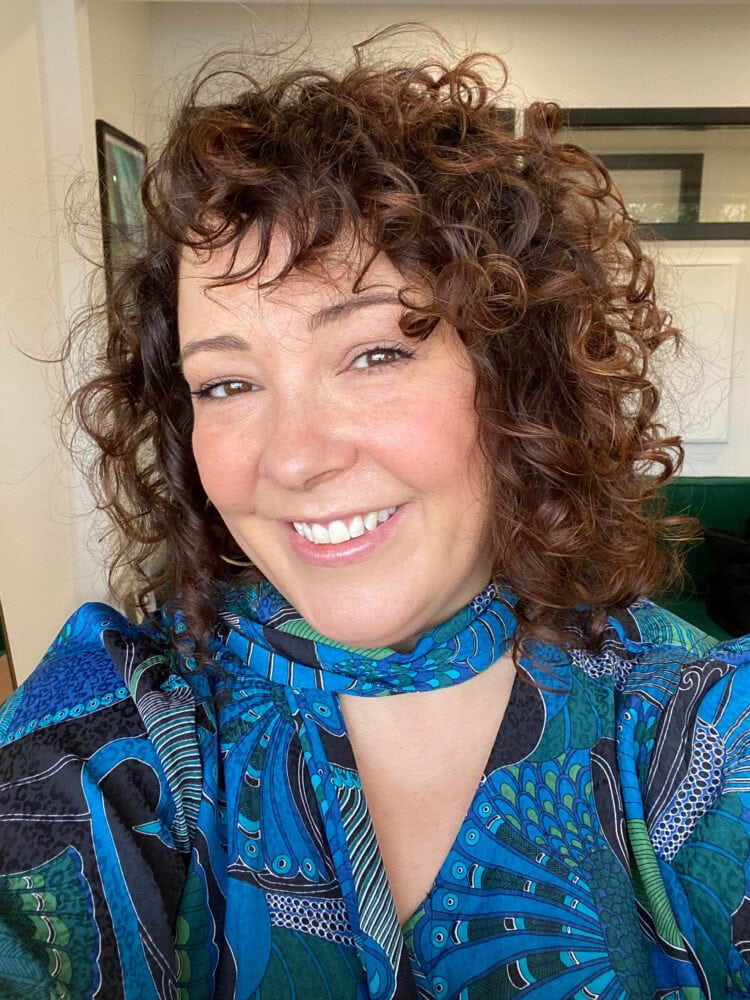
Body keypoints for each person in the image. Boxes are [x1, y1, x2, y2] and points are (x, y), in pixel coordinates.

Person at [1, 31, 749, 1000]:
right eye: (228, 381)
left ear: (515, 375)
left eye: (374, 354)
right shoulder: (132, 719)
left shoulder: (698, 735)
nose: (296, 456)